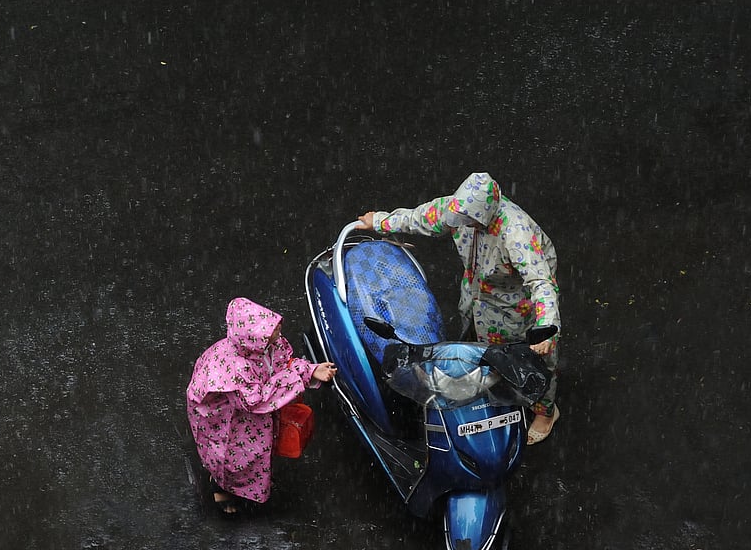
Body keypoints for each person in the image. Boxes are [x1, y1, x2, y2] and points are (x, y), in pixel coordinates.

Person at [356, 171, 561, 444]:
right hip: (477, 294)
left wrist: (546, 328)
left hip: (514, 305)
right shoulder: (460, 209)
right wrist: (381, 221)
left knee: (533, 361)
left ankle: (545, 411)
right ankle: (496, 394)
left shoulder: (516, 233)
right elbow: (424, 217)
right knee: (481, 348)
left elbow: (541, 282)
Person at [186, 298, 337, 515]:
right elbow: (255, 401)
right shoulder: (236, 367)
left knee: (253, 455)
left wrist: (309, 370)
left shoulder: (270, 345)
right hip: (228, 420)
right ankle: (222, 486)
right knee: (231, 458)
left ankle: (247, 482)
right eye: (271, 329)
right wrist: (299, 378)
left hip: (252, 420)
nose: (278, 328)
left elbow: (285, 365)